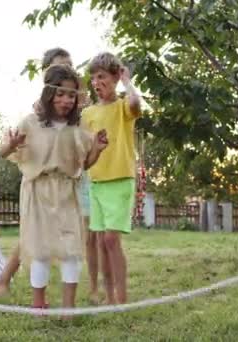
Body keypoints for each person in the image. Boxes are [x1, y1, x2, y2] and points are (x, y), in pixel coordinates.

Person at [0, 47, 99, 301]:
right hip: (38, 192)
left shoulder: (77, 126)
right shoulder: (31, 121)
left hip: (67, 191)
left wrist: (99, 150)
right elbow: (3, 151)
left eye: (72, 94)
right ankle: (37, 302)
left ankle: (68, 307)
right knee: (38, 248)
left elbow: (86, 161)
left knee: (71, 248)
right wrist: (11, 145)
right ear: (48, 88)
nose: (67, 99)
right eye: (60, 92)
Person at [82, 52, 142, 304]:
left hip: (120, 180)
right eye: (94, 78)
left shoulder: (122, 107)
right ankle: (109, 296)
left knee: (110, 239)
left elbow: (136, 104)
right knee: (100, 241)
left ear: (116, 77)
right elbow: (85, 151)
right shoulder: (88, 114)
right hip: (96, 182)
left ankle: (122, 296)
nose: (97, 82)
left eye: (102, 76)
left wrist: (128, 83)